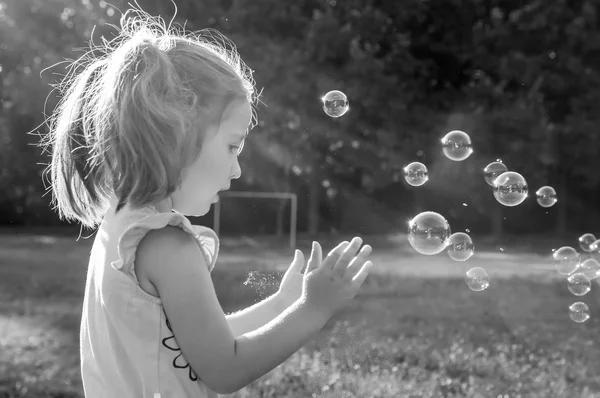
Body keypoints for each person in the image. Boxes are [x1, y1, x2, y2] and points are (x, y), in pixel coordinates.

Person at [40, 6, 374, 398]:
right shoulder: (168, 245)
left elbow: (200, 339)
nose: (237, 170)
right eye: (233, 146)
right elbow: (224, 368)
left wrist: (283, 303)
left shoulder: (122, 227)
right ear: (178, 135)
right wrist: (312, 310)